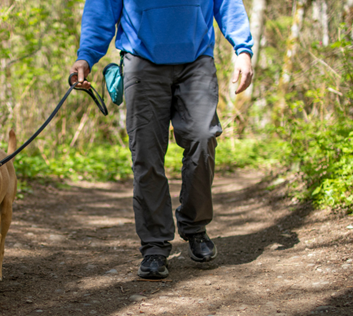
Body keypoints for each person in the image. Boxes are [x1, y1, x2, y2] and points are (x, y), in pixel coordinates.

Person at [70, 0, 254, 279]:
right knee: (146, 154)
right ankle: (154, 244)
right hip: (142, 61)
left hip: (197, 61)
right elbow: (101, 9)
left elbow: (227, 4)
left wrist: (243, 49)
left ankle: (194, 227)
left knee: (204, 138)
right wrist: (86, 56)